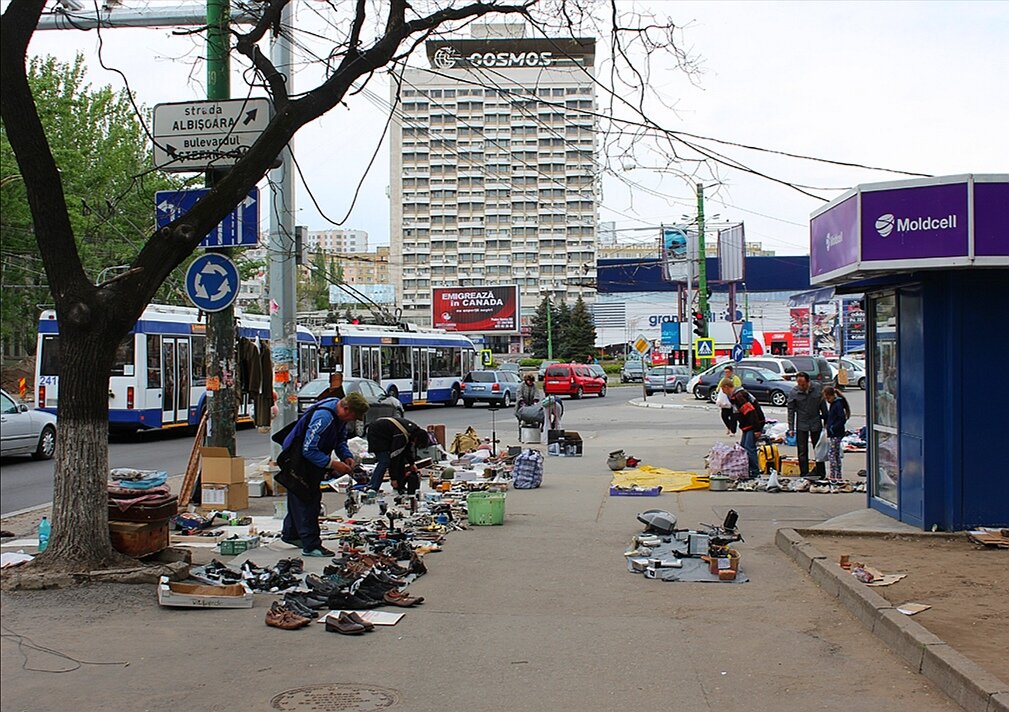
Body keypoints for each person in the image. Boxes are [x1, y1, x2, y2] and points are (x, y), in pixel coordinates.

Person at [280, 392, 370, 557]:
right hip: (298, 459)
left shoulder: (339, 415)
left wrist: (346, 456)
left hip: (312, 459)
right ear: (346, 408)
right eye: (352, 416)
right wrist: (332, 464)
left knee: (297, 497)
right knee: (308, 500)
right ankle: (311, 545)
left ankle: (291, 534)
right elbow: (308, 449)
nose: (351, 420)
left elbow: (340, 440)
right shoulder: (324, 418)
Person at [366, 417, 430, 495]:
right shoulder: (402, 435)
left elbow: (406, 450)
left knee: (401, 458)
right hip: (377, 433)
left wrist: (412, 464)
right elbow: (394, 457)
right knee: (385, 461)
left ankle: (400, 485)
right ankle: (372, 487)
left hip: (385, 431)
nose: (414, 445)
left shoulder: (412, 431)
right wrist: (393, 478)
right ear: (416, 439)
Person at [787, 371, 828, 480]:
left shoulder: (817, 389)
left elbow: (823, 406)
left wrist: (826, 423)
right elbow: (790, 410)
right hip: (801, 424)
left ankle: (821, 472)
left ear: (808, 382)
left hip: (815, 422)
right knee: (802, 450)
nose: (801, 386)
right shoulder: (794, 392)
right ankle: (804, 473)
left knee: (818, 449)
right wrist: (791, 428)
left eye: (803, 384)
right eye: (799, 384)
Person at [731, 387, 766, 479]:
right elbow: (733, 415)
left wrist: (757, 429)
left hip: (753, 425)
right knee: (743, 448)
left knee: (749, 448)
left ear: (726, 388)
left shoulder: (739, 397)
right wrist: (732, 429)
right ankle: (747, 470)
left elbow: (751, 412)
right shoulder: (736, 397)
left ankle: (754, 472)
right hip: (748, 426)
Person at [823, 385, 850, 482]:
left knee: (832, 454)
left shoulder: (837, 404)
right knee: (836, 454)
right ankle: (838, 475)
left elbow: (841, 418)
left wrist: (833, 428)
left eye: (827, 398)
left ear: (831, 396)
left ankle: (833, 475)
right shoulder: (836, 403)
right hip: (836, 432)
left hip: (836, 433)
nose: (827, 400)